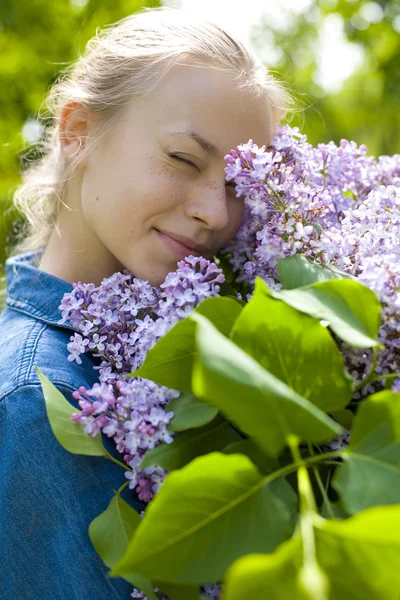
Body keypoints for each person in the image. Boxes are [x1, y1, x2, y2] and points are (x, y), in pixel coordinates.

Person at [0, 6, 294, 599]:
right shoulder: (39, 403)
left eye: (241, 187)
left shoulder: (214, 351)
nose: (216, 213)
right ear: (78, 132)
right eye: (184, 159)